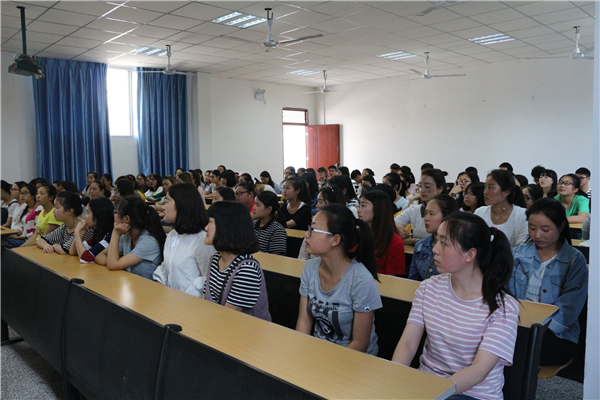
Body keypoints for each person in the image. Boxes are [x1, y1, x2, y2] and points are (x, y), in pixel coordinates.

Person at [392, 212, 519, 400]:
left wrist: (434, 393)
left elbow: (479, 370)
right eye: (437, 240)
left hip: (472, 394)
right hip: (427, 384)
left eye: (444, 243)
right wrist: (393, 379)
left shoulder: (503, 307)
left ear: (470, 254)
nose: (435, 249)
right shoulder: (428, 288)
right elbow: (408, 344)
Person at [509, 198, 588, 366]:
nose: (537, 235)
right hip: (517, 324)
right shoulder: (518, 254)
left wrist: (537, 330)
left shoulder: (574, 260)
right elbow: (505, 292)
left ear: (561, 226)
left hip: (555, 332)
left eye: (545, 229)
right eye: (532, 228)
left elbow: (569, 308)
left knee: (521, 349)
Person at [296, 204, 382, 355]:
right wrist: (299, 352)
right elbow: (304, 321)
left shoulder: (361, 280)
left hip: (352, 358)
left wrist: (327, 362)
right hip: (318, 351)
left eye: (313, 230)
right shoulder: (310, 268)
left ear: (335, 240)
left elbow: (360, 343)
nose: (307, 234)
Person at [203, 201, 271, 321]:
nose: (206, 228)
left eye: (211, 222)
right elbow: (206, 301)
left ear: (226, 228)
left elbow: (227, 317)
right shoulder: (215, 259)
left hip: (243, 329)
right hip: (217, 324)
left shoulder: (247, 269)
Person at [152, 183, 215, 296]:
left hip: (191, 302)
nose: (163, 207)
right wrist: (160, 284)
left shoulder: (202, 240)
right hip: (170, 298)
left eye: (167, 202)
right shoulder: (172, 235)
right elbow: (166, 266)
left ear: (182, 204)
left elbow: (209, 280)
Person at [106, 196, 166, 279]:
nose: (114, 215)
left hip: (149, 286)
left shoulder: (148, 241)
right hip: (132, 283)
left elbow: (112, 265)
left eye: (116, 212)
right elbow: (100, 257)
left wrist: (115, 233)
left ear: (127, 218)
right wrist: (114, 262)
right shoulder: (126, 236)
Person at [408, 194, 460, 281]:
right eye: (425, 213)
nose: (426, 218)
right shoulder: (420, 245)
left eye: (431, 214)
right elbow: (412, 280)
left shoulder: (458, 249)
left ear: (447, 216)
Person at [475, 169, 528, 247]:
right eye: (485, 187)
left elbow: (521, 249)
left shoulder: (522, 215)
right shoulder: (480, 212)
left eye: (490, 188)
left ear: (506, 192)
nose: (485, 192)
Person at [358, 190, 405, 277]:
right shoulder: (356, 234)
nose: (358, 210)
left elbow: (393, 279)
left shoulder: (394, 241)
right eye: (359, 205)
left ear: (378, 208)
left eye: (363, 205)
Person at [395, 168, 447, 244]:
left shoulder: (448, 210)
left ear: (440, 189)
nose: (422, 190)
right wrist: (399, 227)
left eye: (427, 187)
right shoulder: (415, 209)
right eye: (420, 186)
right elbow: (393, 222)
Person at [298, 186, 346, 260]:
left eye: (321, 202)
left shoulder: (343, 229)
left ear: (333, 204)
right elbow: (302, 257)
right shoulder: (314, 226)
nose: (317, 205)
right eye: (317, 202)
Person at [72, 197, 115, 263]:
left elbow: (85, 258)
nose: (84, 216)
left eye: (88, 213)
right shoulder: (98, 232)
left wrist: (77, 233)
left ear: (98, 215)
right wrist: (82, 232)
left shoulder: (110, 235)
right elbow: (73, 251)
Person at [252, 191, 287, 255]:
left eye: (257, 205)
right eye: (254, 204)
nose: (254, 208)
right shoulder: (252, 225)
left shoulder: (277, 230)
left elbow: (275, 257)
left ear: (268, 209)